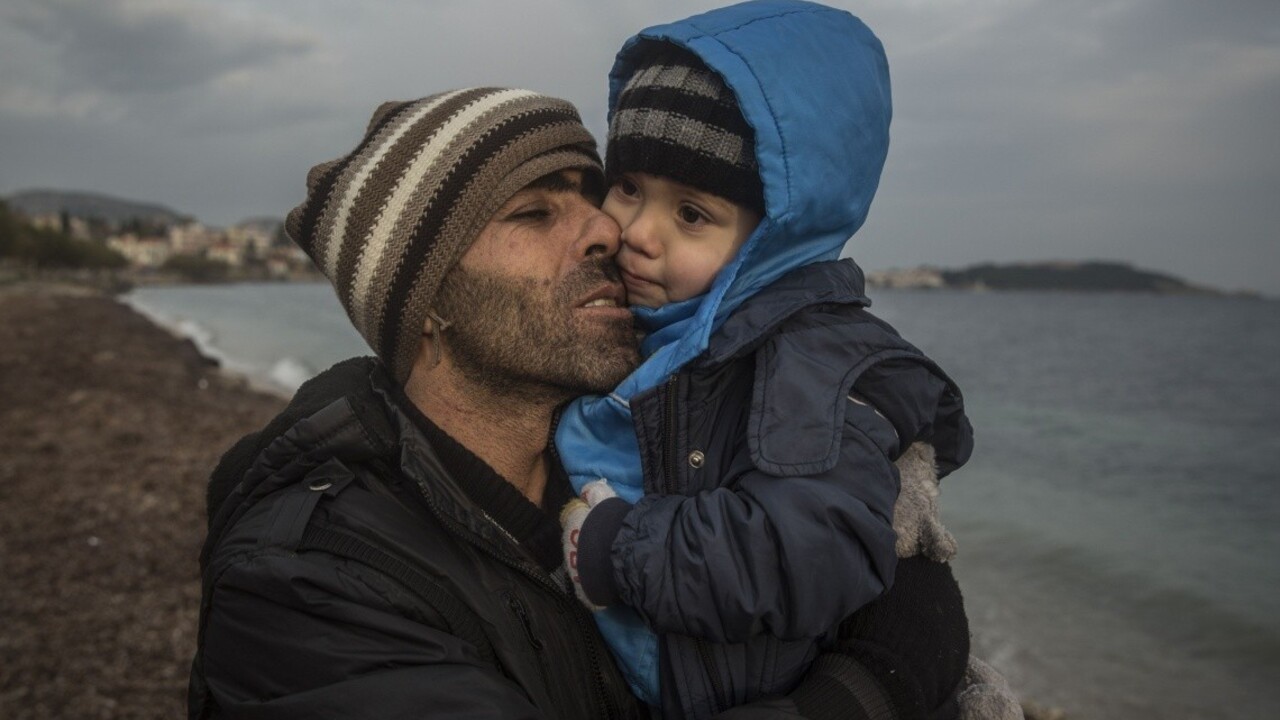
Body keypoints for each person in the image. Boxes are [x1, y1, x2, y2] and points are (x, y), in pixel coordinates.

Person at [186, 87, 1002, 719]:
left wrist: (899, 546)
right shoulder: (305, 589)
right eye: (535, 212)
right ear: (427, 304)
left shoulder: (650, 460)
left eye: (596, 193)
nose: (609, 232)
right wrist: (870, 686)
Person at [555, 2, 982, 718]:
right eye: (627, 186)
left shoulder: (807, 365)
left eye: (690, 214)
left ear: (774, 238)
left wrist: (619, 547)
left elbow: (807, 547)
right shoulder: (655, 328)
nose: (636, 232)